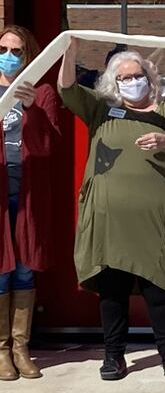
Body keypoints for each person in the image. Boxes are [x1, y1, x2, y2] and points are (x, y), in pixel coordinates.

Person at [58, 40, 165, 384]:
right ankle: (113, 357)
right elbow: (65, 89)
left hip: (155, 222)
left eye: (137, 75)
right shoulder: (102, 109)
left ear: (149, 78)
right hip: (111, 222)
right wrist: (70, 50)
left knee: (161, 292)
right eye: (123, 78)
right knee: (113, 292)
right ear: (113, 83)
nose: (131, 81)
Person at [0, 25, 61, 381]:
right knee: (1, 271)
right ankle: (2, 350)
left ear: (29, 55)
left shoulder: (41, 93)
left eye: (17, 50)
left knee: (24, 268)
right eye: (4, 48)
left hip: (27, 195)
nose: (9, 55)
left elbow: (49, 145)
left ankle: (22, 348)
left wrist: (30, 109)